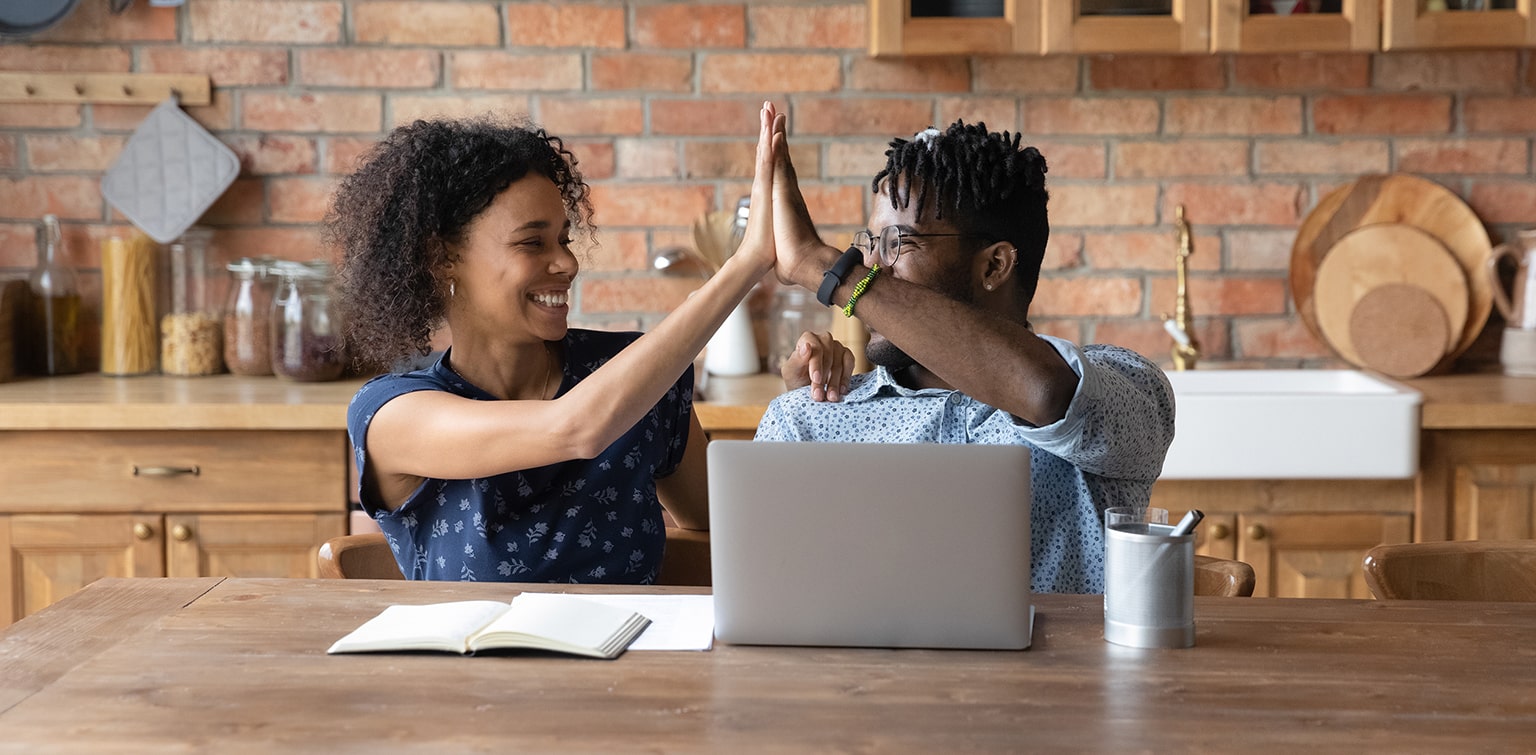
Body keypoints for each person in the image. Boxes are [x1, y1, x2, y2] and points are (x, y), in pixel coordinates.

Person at [330, 103, 785, 583]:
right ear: (443, 258)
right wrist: (745, 264)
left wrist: (800, 402)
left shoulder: (635, 377)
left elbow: (725, 530)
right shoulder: (390, 413)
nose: (566, 264)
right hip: (476, 660)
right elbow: (575, 429)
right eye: (532, 243)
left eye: (564, 239)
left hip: (640, 657)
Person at [759, 121, 1176, 594]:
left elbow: (1046, 392)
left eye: (898, 243)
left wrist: (825, 270)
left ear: (994, 266)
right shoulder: (808, 421)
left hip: (1066, 671)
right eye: (870, 245)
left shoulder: (1129, 387)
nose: (872, 269)